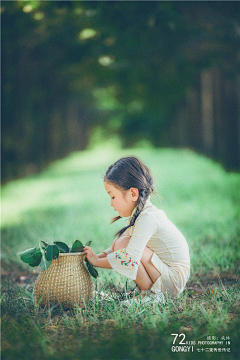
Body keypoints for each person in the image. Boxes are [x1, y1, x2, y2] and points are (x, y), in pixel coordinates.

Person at [84, 156, 190, 306]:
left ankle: (150, 295)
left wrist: (97, 262)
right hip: (167, 275)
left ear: (133, 194)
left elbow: (129, 256)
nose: (111, 203)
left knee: (124, 245)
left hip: (173, 280)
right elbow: (116, 247)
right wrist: (96, 257)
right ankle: (149, 291)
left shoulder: (148, 218)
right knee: (120, 243)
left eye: (113, 197)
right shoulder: (140, 214)